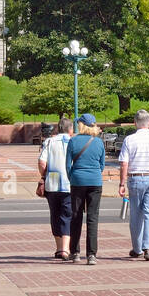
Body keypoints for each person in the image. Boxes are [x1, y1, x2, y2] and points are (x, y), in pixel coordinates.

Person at [118, 110, 149, 261]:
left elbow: (124, 163)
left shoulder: (129, 140)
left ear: (135, 123)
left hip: (135, 177)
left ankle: (137, 248)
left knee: (136, 215)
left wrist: (122, 183)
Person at [65, 113, 106, 265]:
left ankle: (75, 252)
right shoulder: (98, 142)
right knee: (92, 218)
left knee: (76, 217)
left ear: (81, 125)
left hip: (78, 181)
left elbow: (67, 164)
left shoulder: (73, 141)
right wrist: (94, 173)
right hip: (95, 181)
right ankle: (91, 255)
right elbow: (102, 165)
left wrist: (73, 177)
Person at [37, 117, 73, 260]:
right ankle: (65, 249)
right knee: (67, 215)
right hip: (69, 183)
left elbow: (41, 162)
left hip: (52, 183)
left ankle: (59, 248)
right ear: (70, 129)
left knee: (55, 214)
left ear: (58, 128)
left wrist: (44, 175)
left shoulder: (49, 141)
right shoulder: (72, 142)